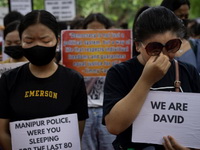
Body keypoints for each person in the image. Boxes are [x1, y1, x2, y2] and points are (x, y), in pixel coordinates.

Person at [103, 6, 200, 150]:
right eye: (154, 48)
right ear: (138, 46)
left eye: (172, 46)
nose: (164, 54)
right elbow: (114, 126)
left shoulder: (188, 71)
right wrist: (147, 80)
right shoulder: (120, 72)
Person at [0, 10, 88, 150]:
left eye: (45, 40)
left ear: (57, 41)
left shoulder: (74, 80)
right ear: (21, 42)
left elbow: (76, 132)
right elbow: (2, 131)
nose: (37, 45)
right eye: (29, 41)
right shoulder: (8, 80)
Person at [81, 13, 116, 150]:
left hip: (108, 111)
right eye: (91, 31)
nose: (95, 35)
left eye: (100, 31)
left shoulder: (116, 53)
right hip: (84, 113)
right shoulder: (73, 54)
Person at [160, 0, 197, 69]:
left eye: (186, 16)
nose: (183, 19)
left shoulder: (193, 44)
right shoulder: (156, 45)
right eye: (179, 16)